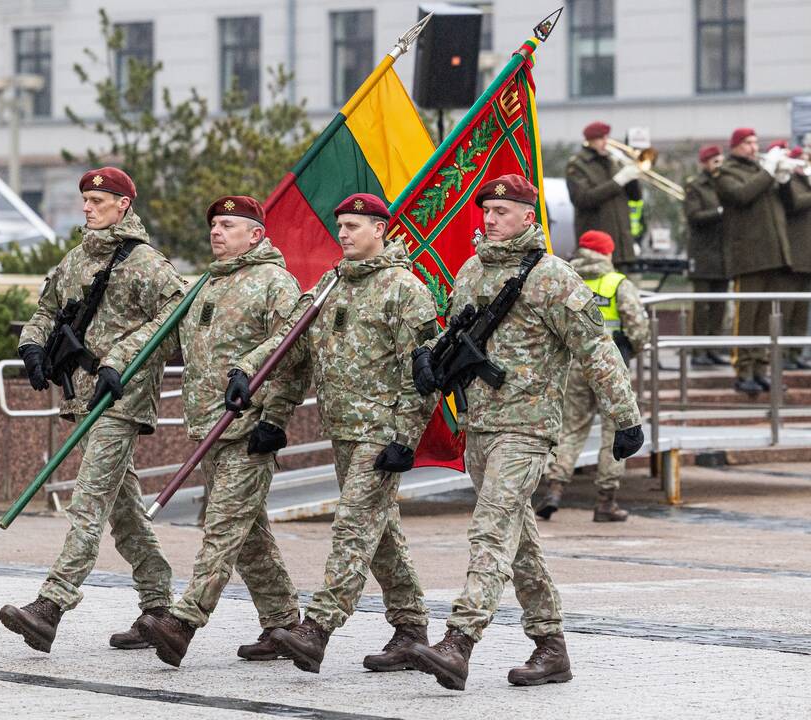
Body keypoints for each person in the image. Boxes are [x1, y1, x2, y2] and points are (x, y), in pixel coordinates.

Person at [407, 174, 642, 691]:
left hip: (528, 428)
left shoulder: (553, 277)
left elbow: (597, 348)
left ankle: (459, 641)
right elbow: (454, 335)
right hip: (481, 426)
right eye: (486, 211)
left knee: (490, 528)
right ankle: (551, 647)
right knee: (519, 544)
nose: (490, 219)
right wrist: (431, 362)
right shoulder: (471, 270)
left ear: (528, 217)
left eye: (502, 211)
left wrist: (626, 418)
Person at [0, 167, 182, 654]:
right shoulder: (77, 258)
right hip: (83, 396)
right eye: (84, 199)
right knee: (125, 513)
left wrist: (122, 358)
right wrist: (33, 347)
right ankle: (160, 609)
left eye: (98, 199)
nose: (87, 206)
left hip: (121, 397)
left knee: (90, 500)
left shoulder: (144, 262)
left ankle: (50, 607)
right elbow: (45, 310)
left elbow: (175, 313)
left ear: (123, 205)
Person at [270, 193, 438, 674]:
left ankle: (318, 627)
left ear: (380, 230)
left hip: (382, 430)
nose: (343, 234)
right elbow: (290, 343)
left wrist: (405, 436)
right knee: (380, 532)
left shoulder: (406, 289)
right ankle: (410, 628)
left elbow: (422, 373)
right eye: (340, 225)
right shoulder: (329, 284)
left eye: (354, 226)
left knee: (353, 525)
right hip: (342, 428)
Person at [136, 196, 306, 667]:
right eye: (214, 224)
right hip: (208, 428)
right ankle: (284, 624)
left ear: (255, 234)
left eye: (228, 225)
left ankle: (183, 622)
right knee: (248, 535)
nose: (216, 231)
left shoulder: (275, 283)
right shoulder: (206, 284)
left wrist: (275, 420)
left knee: (222, 530)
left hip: (248, 429)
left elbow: (292, 354)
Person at [536, 230, 649, 522]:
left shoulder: (569, 280)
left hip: (574, 365)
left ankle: (555, 490)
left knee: (571, 429)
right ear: (607, 253)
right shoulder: (618, 283)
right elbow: (638, 328)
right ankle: (605, 501)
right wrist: (629, 350)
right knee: (616, 431)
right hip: (611, 369)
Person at [715, 128, 793, 394]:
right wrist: (769, 172)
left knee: (766, 317)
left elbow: (790, 206)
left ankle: (761, 368)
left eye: (755, 142)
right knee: (746, 316)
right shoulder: (726, 172)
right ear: (735, 146)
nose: (753, 146)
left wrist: (784, 180)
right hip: (747, 256)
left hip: (773, 254)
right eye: (747, 142)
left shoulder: (763, 172)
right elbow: (742, 195)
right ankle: (743, 369)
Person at [565, 121, 643, 269]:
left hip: (622, 245)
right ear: (589, 141)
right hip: (597, 247)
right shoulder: (577, 165)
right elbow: (583, 199)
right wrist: (619, 180)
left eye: (607, 138)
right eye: (601, 139)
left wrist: (632, 176)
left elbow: (635, 197)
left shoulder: (614, 162)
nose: (606, 143)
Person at [684, 145, 730, 367]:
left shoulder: (725, 183)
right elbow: (694, 216)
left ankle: (713, 347)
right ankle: (698, 350)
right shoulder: (695, 185)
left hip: (723, 252)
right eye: (713, 160)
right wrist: (719, 212)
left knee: (719, 304)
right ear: (704, 162)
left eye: (720, 159)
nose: (717, 163)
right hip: (703, 253)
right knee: (702, 306)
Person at [779, 147, 811, 369]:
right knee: (787, 308)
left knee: (801, 310)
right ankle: (782, 353)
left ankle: (796, 353)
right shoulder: (787, 181)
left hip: (807, 255)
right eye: (801, 159)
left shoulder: (805, 181)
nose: (805, 163)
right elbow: (794, 204)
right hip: (793, 254)